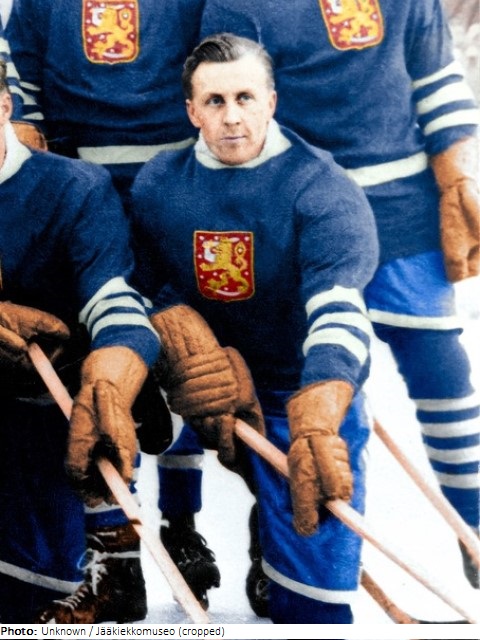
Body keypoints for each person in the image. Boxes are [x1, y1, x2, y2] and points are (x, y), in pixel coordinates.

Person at [199, 0, 480, 600]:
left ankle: (475, 525)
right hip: (301, 210)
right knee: (297, 392)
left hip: (401, 208)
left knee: (443, 374)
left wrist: (459, 175)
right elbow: (240, 108)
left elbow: (437, 82)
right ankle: (284, 541)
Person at [129, 33, 379, 624]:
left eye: (245, 98)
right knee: (113, 402)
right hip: (200, 379)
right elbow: (138, 284)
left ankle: (284, 554)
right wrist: (175, 338)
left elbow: (338, 308)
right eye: (214, 101)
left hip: (296, 388)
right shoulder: (159, 182)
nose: (232, 117)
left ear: (271, 101)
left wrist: (321, 405)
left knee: (310, 605)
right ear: (192, 111)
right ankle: (154, 541)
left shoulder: (323, 188)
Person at [5, 0, 222, 611]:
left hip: (173, 183)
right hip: (79, 181)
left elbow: (217, 61)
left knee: (177, 356)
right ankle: (115, 553)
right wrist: (32, 138)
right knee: (86, 361)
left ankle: (181, 525)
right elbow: (20, 63)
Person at [0, 58, 162, 622]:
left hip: (53, 414)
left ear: (4, 107)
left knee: (31, 597)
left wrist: (114, 374)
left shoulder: (74, 187)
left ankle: (113, 554)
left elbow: (112, 298)